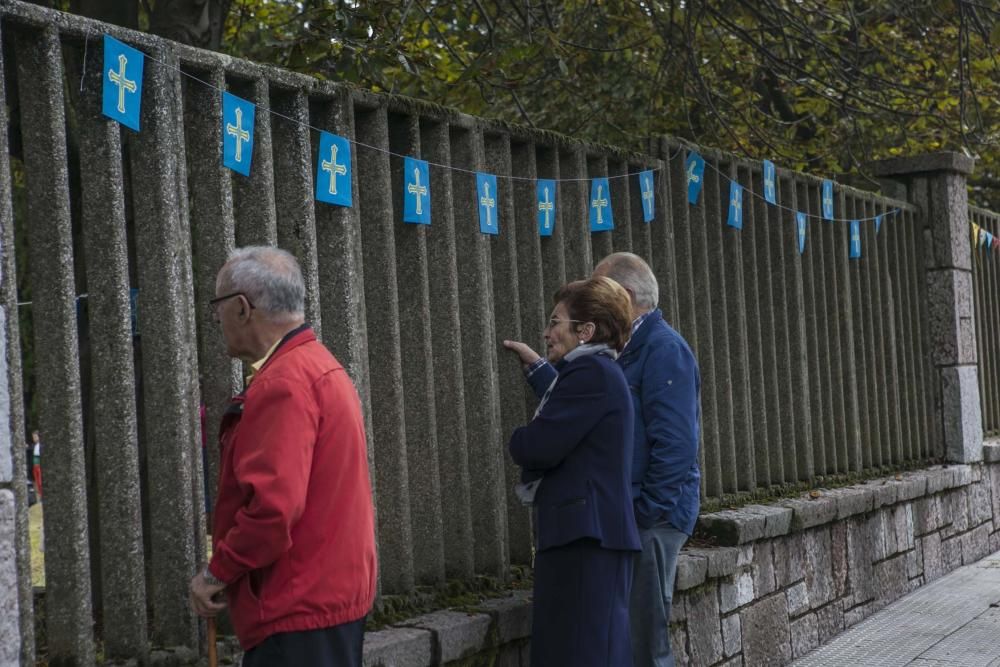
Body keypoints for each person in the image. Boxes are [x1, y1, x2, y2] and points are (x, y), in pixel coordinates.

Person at [505, 252, 701, 667]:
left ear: (625, 295)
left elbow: (677, 445)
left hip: (646, 517)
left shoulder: (663, 348)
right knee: (614, 643)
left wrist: (645, 512)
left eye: (600, 288)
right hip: (623, 514)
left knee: (643, 644)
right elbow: (585, 414)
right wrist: (543, 371)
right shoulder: (619, 352)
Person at [188, 246, 377, 666]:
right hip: (327, 597)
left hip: (297, 609)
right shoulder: (319, 365)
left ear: (241, 308)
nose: (215, 318)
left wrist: (217, 572)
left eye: (216, 305)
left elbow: (273, 510)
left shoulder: (283, 383)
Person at [506, 276, 641, 666]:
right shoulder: (597, 373)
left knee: (580, 652)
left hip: (585, 539)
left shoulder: (590, 375)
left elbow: (539, 445)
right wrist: (538, 368)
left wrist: (518, 437)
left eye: (555, 322)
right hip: (592, 538)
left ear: (585, 331)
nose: (547, 333)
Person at [30, 430, 42, 501]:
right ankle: (40, 495)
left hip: (39, 465)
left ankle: (42, 495)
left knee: (40, 482)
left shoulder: (41, 445)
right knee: (37, 482)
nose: (34, 438)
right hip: (35, 466)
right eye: (33, 437)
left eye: (35, 437)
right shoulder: (34, 446)